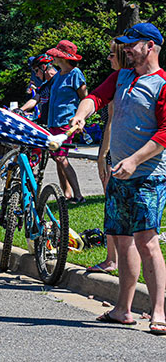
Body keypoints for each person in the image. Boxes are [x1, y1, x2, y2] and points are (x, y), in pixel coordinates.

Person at [68, 23, 166, 334]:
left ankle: (159, 312)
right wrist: (81, 114)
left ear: (149, 46)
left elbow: (165, 133)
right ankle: (122, 309)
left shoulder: (162, 84)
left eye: (131, 44)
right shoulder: (122, 77)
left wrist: (135, 160)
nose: (125, 49)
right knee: (123, 242)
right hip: (120, 174)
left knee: (147, 241)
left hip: (147, 175)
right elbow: (95, 98)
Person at [86, 39, 128, 274]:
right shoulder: (120, 80)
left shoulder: (122, 81)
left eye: (112, 54)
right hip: (118, 152)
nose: (109, 58)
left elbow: (111, 123)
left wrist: (103, 156)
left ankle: (113, 260)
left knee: (113, 209)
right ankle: (114, 258)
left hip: (117, 153)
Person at [44, 39, 88, 203]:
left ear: (63, 57)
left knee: (62, 158)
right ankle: (66, 194)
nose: (53, 58)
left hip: (66, 122)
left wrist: (80, 118)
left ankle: (78, 195)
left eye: (56, 55)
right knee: (57, 158)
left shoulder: (75, 73)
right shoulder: (57, 76)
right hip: (53, 122)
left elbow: (85, 98)